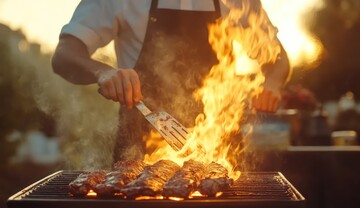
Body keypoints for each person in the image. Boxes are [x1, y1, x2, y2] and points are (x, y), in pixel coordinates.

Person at [52, 0, 290, 162]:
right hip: (139, 149)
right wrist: (102, 72)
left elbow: (277, 59)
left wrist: (271, 84)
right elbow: (65, 55)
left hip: (218, 147)